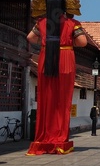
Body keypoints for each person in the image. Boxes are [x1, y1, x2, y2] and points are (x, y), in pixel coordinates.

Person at [26, 11, 87, 154]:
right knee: (62, 100)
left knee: (46, 97)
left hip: (46, 56)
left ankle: (43, 137)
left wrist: (44, 42)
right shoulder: (72, 24)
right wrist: (68, 42)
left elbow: (30, 37)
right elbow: (83, 42)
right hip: (65, 57)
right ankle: (59, 137)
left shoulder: (41, 22)